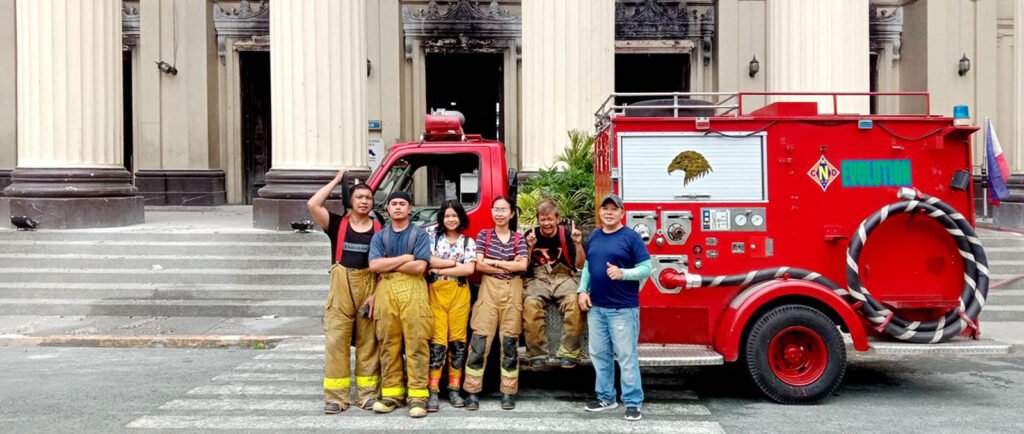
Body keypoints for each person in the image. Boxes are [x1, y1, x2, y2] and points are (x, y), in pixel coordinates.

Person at [307, 173, 382, 414]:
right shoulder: (337, 224)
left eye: (368, 198)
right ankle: (336, 398)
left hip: (370, 286)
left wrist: (376, 295)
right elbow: (313, 204)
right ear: (350, 200)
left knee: (368, 343)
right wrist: (337, 179)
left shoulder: (380, 229)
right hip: (341, 289)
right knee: (336, 341)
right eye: (359, 197)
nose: (364, 201)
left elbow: (385, 265)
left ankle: (367, 395)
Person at [577, 194, 652, 422]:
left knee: (626, 356)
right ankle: (606, 397)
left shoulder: (631, 238)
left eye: (614, 209)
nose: (609, 212)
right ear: (600, 212)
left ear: (622, 213)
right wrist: (582, 290)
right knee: (600, 355)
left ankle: (632, 402)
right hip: (597, 307)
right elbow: (589, 266)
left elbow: (647, 268)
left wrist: (623, 273)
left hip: (623, 309)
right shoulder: (595, 236)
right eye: (605, 209)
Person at [367, 191, 433, 418]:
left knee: (416, 344)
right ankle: (391, 395)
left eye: (402, 204)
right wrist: (406, 258)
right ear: (387, 209)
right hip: (386, 292)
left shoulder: (420, 235)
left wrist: (389, 265)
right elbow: (374, 265)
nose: (397, 207)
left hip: (414, 291)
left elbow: (420, 268)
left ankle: (418, 397)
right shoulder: (379, 237)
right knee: (388, 343)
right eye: (393, 204)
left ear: (410, 208)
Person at [463, 196, 528, 411]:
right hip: (488, 291)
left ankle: (508, 392)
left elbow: (523, 265)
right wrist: (508, 265)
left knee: (509, 343)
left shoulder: (519, 238)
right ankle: (472, 391)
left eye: (503, 210)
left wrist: (495, 262)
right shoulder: (484, 235)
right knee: (479, 342)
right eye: (496, 210)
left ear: (511, 214)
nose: (499, 214)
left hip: (513, 291)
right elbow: (478, 265)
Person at [425, 200, 477, 411]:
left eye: (454, 215)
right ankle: (433, 391)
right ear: (442, 218)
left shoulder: (468, 242)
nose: (451, 219)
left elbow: (470, 270)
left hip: (460, 293)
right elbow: (429, 260)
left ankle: (454, 389)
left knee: (457, 342)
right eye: (447, 216)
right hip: (436, 293)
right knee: (437, 343)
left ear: (461, 218)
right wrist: (456, 264)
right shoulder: (432, 237)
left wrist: (440, 268)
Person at [523, 199, 586, 368]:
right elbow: (524, 267)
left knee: (574, 302)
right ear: (538, 220)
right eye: (542, 219)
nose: (546, 223)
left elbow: (580, 265)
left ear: (557, 219)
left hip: (563, 275)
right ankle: (536, 353)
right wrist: (529, 247)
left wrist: (578, 244)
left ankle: (569, 351)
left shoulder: (566, 234)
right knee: (530, 305)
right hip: (538, 277)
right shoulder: (531, 234)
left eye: (550, 219)